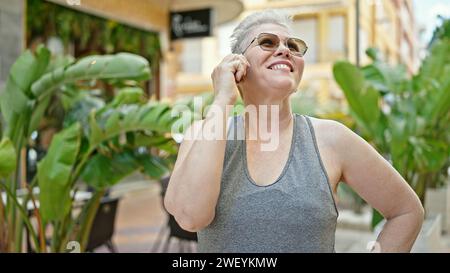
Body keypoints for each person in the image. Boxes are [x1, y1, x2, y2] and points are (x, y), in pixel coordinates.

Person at [164, 10, 424, 253]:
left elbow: (406, 211)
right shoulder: (203, 134)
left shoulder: (332, 139)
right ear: (237, 64)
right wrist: (222, 99)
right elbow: (190, 216)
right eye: (267, 42)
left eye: (293, 46)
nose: (284, 50)